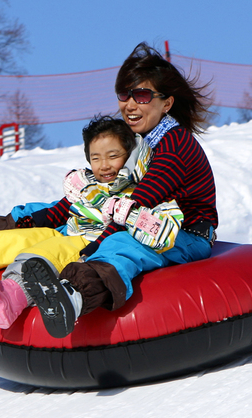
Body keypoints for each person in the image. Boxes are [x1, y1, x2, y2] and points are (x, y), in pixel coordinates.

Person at [0, 115, 182, 329]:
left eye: (113, 156)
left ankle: (9, 298)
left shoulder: (143, 191)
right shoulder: (86, 185)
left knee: (41, 255)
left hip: (90, 244)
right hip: (68, 232)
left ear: (131, 157)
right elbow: (60, 210)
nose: (104, 165)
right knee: (21, 240)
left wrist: (129, 213)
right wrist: (33, 221)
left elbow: (163, 230)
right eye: (96, 158)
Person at [18, 42, 218, 337]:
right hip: (145, 220)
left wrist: (92, 246)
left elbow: (136, 204)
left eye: (141, 95)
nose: (129, 104)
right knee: (49, 210)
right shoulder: (141, 142)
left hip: (182, 233)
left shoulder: (173, 146)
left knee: (122, 244)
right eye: (124, 95)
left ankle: (76, 294)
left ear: (166, 103)